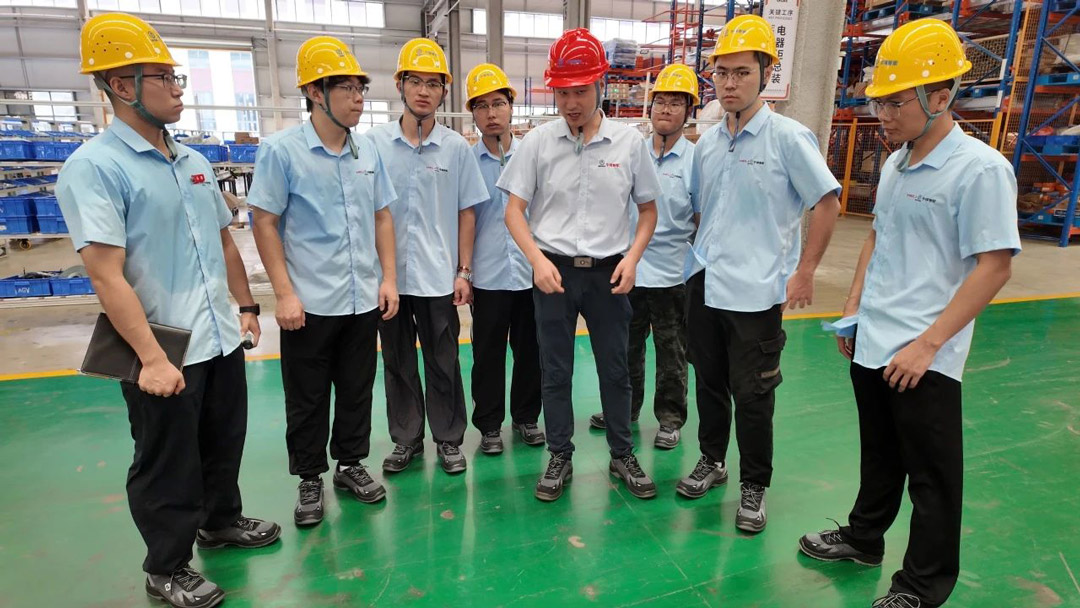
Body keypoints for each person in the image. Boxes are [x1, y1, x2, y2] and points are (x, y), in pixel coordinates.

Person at [56, 13, 280, 608]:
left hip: (218, 335)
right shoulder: (95, 167)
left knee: (223, 440)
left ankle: (220, 522)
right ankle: (167, 566)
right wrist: (152, 360)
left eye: (176, 77)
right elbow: (106, 274)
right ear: (121, 85)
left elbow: (224, 241)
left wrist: (246, 306)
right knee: (166, 460)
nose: (179, 89)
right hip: (162, 345)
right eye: (164, 77)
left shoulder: (193, 162)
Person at [796, 20, 1019, 608]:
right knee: (879, 453)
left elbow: (994, 267)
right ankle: (864, 537)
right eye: (880, 102)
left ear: (940, 97)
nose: (883, 116)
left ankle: (922, 585)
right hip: (874, 338)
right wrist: (853, 308)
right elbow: (878, 237)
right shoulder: (896, 163)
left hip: (925, 354)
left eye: (896, 103)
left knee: (932, 477)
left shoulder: (979, 169)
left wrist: (928, 344)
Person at [678, 14, 842, 534]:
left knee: (753, 395)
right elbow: (702, 210)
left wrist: (805, 270)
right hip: (704, 282)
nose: (729, 83)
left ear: (766, 73)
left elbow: (827, 202)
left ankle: (754, 485)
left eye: (742, 72)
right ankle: (712, 460)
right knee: (708, 383)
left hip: (756, 293)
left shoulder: (789, 138)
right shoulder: (707, 143)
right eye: (721, 73)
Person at [499, 28, 662, 502]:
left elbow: (648, 210)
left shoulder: (628, 144)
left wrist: (633, 258)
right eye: (563, 92)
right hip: (553, 271)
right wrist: (536, 260)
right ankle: (559, 455)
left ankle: (622, 453)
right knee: (555, 370)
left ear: (600, 86)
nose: (571, 103)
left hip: (610, 273)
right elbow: (514, 210)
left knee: (616, 368)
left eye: (581, 91)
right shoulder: (538, 143)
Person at [248, 36, 399, 527]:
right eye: (347, 88)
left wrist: (388, 279)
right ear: (315, 93)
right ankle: (310, 477)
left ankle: (350, 464)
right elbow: (264, 221)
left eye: (361, 88)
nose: (358, 98)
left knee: (357, 388)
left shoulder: (367, 150)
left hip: (361, 298)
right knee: (307, 396)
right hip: (309, 303)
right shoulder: (282, 151)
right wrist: (284, 294)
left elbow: (382, 216)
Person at [366, 38, 488, 475]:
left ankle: (449, 439)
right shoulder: (374, 144)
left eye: (433, 84)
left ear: (443, 92)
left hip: (438, 276)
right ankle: (406, 439)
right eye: (415, 81)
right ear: (399, 84)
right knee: (397, 361)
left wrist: (463, 271)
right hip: (390, 279)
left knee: (444, 360)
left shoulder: (455, 148)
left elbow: (467, 212)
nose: (423, 91)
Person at [588, 63, 697, 450]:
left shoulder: (694, 160)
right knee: (625, 349)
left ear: (688, 111)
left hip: (672, 275)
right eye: (660, 102)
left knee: (672, 353)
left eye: (675, 103)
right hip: (627, 270)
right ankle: (625, 410)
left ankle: (670, 419)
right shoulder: (632, 152)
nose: (666, 109)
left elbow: (701, 218)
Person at [464, 62, 545, 455]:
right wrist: (463, 272)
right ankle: (490, 425)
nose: (491, 113)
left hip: (531, 273)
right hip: (488, 275)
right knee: (487, 355)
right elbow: (463, 219)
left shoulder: (533, 154)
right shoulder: (467, 161)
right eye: (481, 106)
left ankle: (526, 418)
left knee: (531, 351)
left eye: (498, 103)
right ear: (473, 114)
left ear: (511, 107)